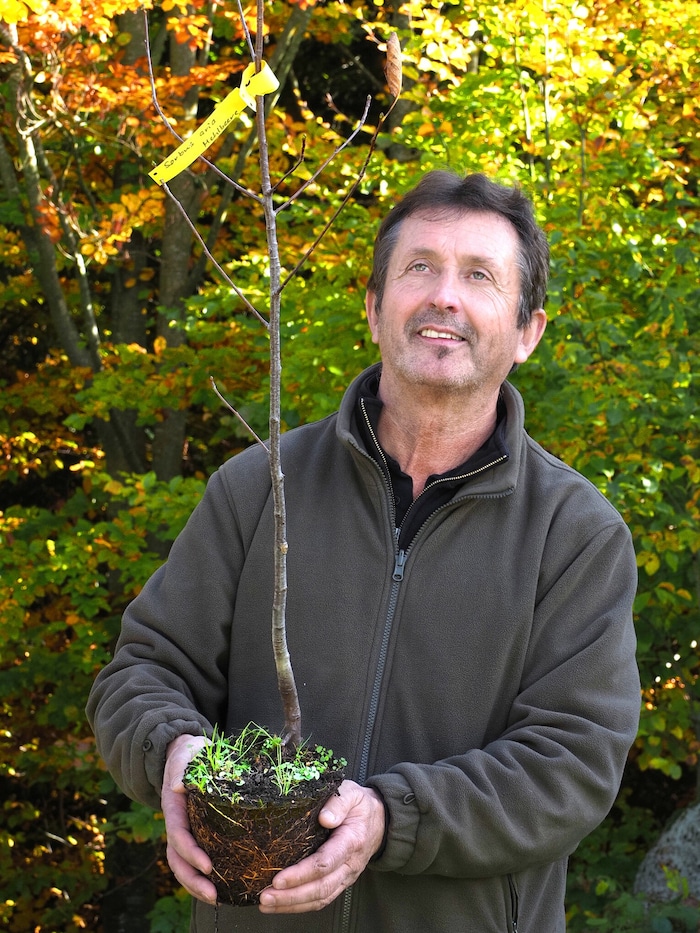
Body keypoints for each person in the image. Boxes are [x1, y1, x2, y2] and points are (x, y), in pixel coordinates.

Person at [86, 170, 640, 932]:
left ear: (527, 332)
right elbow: (140, 673)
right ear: (375, 307)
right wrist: (172, 754)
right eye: (420, 267)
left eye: (479, 275)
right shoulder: (259, 487)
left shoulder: (576, 534)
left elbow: (571, 765)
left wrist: (390, 816)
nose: (444, 295)